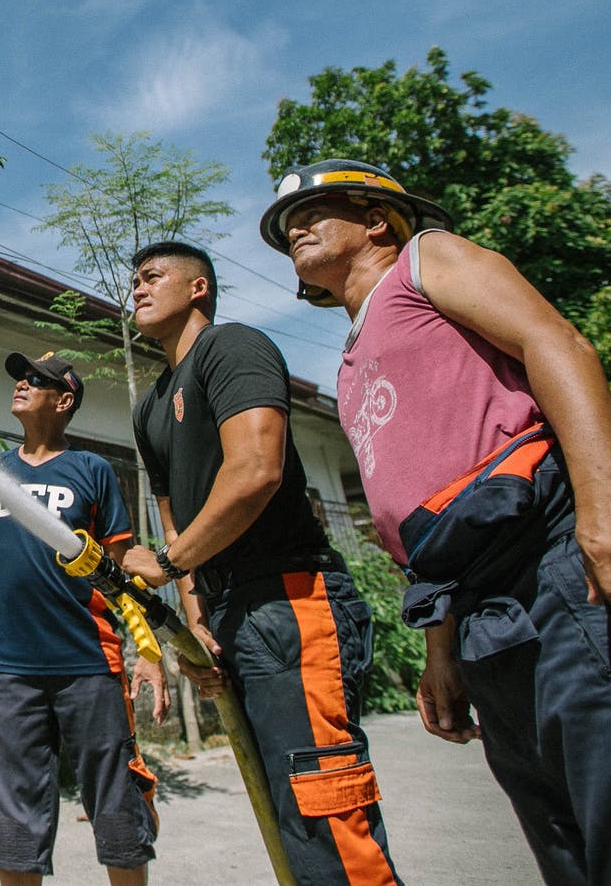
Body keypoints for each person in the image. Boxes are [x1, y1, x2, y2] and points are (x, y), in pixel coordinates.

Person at [262, 158, 611, 885]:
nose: (296, 229)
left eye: (314, 212)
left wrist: (608, 495)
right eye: (288, 226)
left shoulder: (426, 259)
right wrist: (440, 650)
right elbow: (421, 510)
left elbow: (555, 340)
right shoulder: (351, 360)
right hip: (481, 610)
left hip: (566, 562)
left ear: (377, 217)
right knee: (569, 840)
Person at [114, 241, 401, 886]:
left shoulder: (232, 348)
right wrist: (196, 627)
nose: (137, 287)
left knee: (326, 818)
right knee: (289, 823)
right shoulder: (151, 406)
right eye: (133, 280)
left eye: (153, 276)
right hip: (229, 612)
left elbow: (256, 471)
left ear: (199, 290)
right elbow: (174, 517)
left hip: (290, 602)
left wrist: (168, 561)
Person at [0, 351, 162, 886]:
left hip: (89, 662)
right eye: (20, 377)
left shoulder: (92, 471)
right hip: (9, 666)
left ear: (63, 400)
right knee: (13, 815)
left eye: (37, 380)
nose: (22, 384)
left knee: (117, 804)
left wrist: (150, 652)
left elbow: (122, 566)